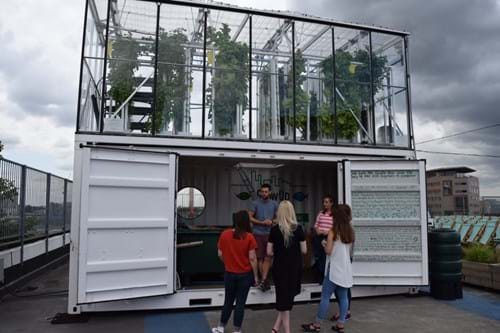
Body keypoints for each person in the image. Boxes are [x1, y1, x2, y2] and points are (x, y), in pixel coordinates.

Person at [301, 204, 355, 333]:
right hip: (345, 269)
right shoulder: (350, 232)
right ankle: (340, 324)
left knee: (325, 296)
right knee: (343, 297)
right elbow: (348, 250)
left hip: (334, 269)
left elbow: (329, 251)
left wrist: (324, 244)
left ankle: (317, 324)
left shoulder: (333, 231)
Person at [212, 211, 259, 333]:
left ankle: (221, 327)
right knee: (240, 303)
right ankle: (237, 330)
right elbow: (253, 259)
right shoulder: (249, 237)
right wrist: (256, 276)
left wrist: (228, 263)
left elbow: (220, 254)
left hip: (229, 274)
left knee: (228, 301)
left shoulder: (224, 234)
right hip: (245, 275)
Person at [267, 201, 307, 333]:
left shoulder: (274, 230)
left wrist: (278, 251)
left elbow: (269, 252)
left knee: (284, 300)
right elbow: (304, 250)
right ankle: (286, 331)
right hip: (294, 268)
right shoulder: (298, 229)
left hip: (279, 268)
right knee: (286, 300)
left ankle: (275, 328)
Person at [248, 183, 278, 292]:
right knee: (259, 257)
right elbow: (250, 217)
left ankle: (264, 279)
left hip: (270, 234)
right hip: (257, 233)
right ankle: (263, 280)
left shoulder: (274, 204)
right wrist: (261, 222)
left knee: (268, 257)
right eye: (262, 191)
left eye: (266, 191)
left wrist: (272, 221)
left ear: (270, 192)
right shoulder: (255, 203)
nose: (264, 193)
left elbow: (278, 218)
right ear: (260, 192)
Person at [332, 204, 353, 322]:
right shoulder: (345, 228)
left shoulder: (343, 229)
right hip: (345, 260)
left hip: (341, 261)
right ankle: (344, 312)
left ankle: (345, 312)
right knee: (343, 287)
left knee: (341, 287)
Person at [312, 195, 334, 283]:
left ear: (331, 203)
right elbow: (316, 225)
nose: (324, 204)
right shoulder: (321, 213)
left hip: (329, 238)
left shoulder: (334, 215)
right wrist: (318, 230)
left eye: (327, 202)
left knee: (327, 258)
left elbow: (336, 228)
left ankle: (327, 278)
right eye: (324, 202)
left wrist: (328, 232)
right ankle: (319, 277)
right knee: (319, 257)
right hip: (319, 238)